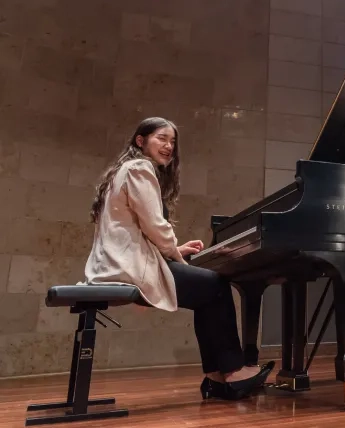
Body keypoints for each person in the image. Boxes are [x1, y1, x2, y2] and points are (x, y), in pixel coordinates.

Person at [83, 117, 272, 400]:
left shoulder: (123, 171)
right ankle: (232, 372)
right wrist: (174, 255)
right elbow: (155, 226)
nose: (169, 146)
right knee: (216, 286)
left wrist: (175, 251)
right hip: (127, 268)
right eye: (162, 138)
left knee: (206, 292)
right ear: (140, 141)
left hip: (118, 263)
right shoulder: (139, 168)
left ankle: (216, 377)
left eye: (172, 141)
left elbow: (136, 230)